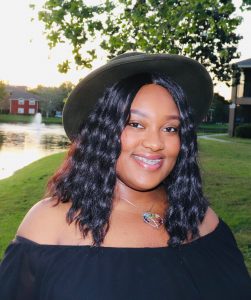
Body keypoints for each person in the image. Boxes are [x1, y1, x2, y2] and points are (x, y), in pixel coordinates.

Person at [0, 53, 250, 300]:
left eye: (170, 128)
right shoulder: (50, 226)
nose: (154, 143)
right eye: (135, 124)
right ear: (102, 131)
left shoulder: (203, 220)